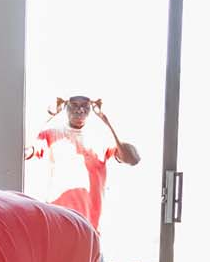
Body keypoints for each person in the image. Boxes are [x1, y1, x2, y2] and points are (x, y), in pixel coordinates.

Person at [27, 95, 140, 233]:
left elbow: (133, 159)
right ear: (65, 106)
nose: (80, 110)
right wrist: (49, 115)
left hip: (90, 225)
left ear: (91, 108)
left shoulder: (102, 139)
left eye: (85, 105)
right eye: (74, 104)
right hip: (57, 220)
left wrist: (107, 121)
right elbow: (24, 150)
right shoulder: (51, 135)